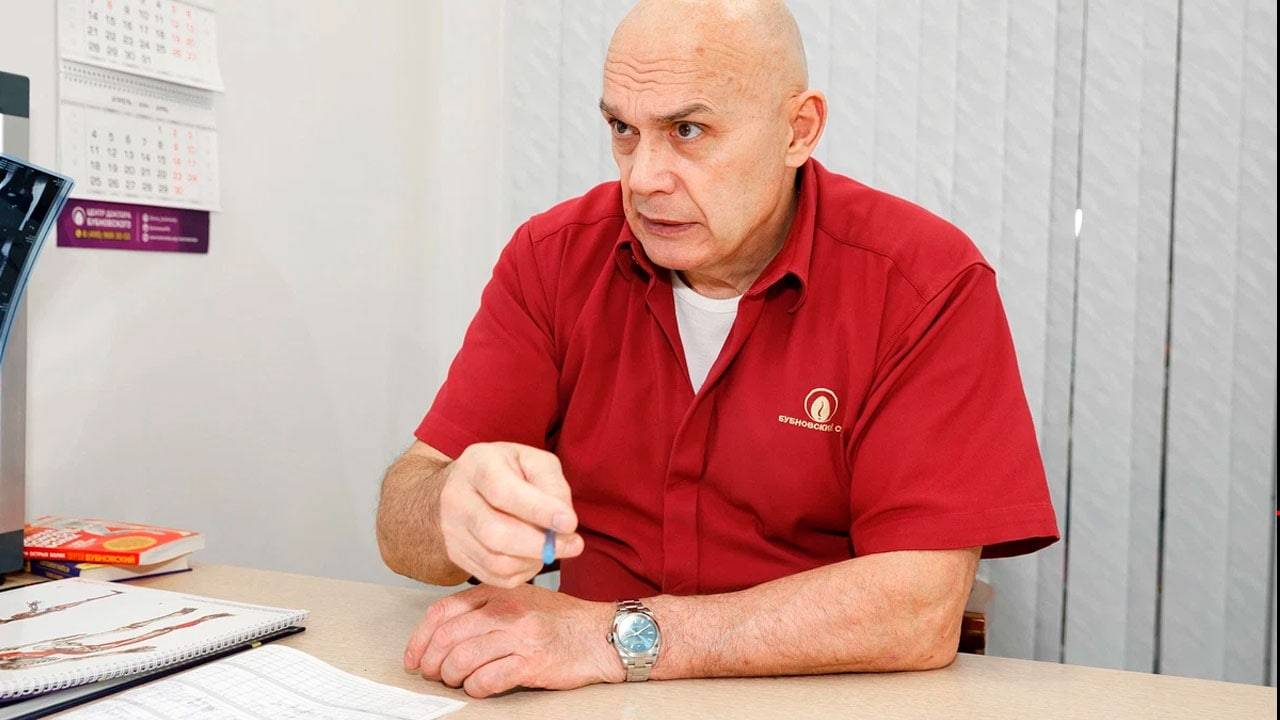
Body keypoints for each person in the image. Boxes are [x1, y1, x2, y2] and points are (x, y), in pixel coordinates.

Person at [377, 0, 1059, 699]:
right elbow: (404, 517)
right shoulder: (555, 258)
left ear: (799, 130)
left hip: (818, 697)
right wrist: (451, 510)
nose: (643, 178)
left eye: (688, 130)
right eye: (623, 129)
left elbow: (918, 608)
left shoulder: (923, 281)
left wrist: (613, 637)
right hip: (585, 695)